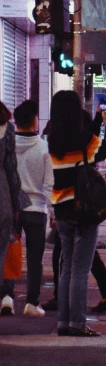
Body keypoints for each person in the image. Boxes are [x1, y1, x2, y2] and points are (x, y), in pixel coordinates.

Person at [48, 91, 106, 337]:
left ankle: (63, 323)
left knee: (66, 266)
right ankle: (77, 323)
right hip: (83, 211)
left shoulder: (50, 141)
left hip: (61, 209)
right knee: (79, 268)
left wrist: (97, 121)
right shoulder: (84, 139)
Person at [0, 100, 53, 317]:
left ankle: (7, 297)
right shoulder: (44, 148)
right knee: (34, 258)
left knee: (9, 254)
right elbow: (49, 184)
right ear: (34, 121)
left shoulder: (7, 144)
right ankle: (32, 302)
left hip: (11, 208)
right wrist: (53, 211)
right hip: (36, 209)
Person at [0, 101, 21, 315]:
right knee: (2, 251)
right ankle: (4, 297)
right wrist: (16, 205)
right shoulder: (8, 130)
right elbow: (12, 171)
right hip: (2, 195)